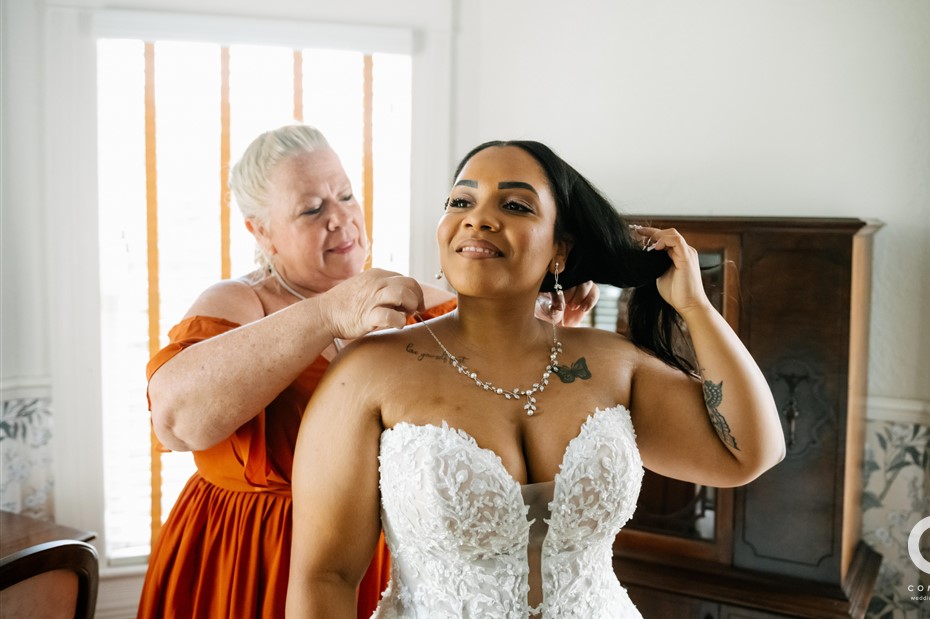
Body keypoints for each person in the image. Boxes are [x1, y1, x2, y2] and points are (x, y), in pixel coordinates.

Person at [287, 140, 787, 618]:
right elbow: (324, 577)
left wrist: (694, 307)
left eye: (517, 206)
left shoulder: (614, 365)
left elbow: (749, 453)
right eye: (461, 200)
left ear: (560, 252)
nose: (479, 217)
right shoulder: (368, 372)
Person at [137, 124, 600, 619]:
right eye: (312, 209)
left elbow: (508, 388)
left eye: (345, 196)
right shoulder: (237, 302)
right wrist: (325, 314)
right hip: (250, 556)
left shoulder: (416, 303)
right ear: (260, 230)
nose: (341, 219)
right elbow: (176, 422)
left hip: (373, 557)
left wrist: (551, 314)